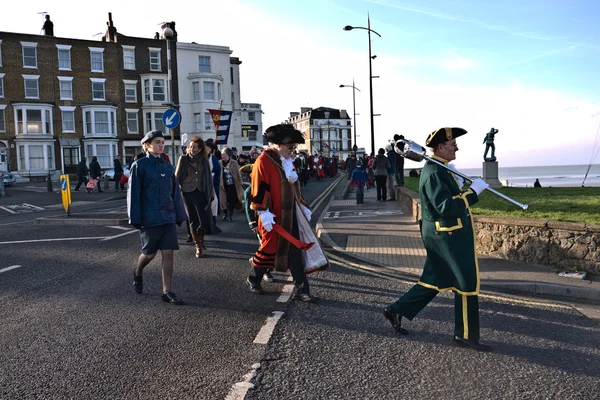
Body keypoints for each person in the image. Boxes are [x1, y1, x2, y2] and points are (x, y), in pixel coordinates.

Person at [382, 127, 492, 352]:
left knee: (435, 280)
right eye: (452, 145)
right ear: (440, 147)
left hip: (444, 235)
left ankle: (396, 309)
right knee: (466, 283)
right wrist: (473, 193)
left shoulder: (441, 169)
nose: (457, 148)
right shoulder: (434, 172)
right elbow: (446, 208)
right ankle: (465, 335)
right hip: (448, 236)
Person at [247, 124, 327, 301]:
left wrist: (303, 206)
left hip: (291, 215)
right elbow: (259, 190)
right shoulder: (264, 161)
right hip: (272, 215)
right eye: (290, 147)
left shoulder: (288, 162)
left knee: (295, 251)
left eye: (294, 147)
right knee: (269, 249)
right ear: (278, 145)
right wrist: (263, 212)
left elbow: (295, 188)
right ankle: (254, 277)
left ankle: (302, 290)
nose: (293, 151)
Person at [128, 130, 187, 305]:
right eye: (157, 142)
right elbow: (134, 194)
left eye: (162, 142)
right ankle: (138, 272)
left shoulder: (169, 167)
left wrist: (179, 214)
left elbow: (175, 193)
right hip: (150, 218)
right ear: (147, 145)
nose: (161, 145)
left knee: (168, 253)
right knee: (149, 254)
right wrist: (136, 219)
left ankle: (167, 291)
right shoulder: (139, 166)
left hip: (167, 216)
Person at [175, 136, 217, 258]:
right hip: (188, 192)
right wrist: (175, 192)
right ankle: (197, 245)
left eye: (195, 147)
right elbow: (176, 176)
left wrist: (211, 194)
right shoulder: (183, 159)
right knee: (193, 218)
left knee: (203, 218)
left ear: (199, 149)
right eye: (190, 146)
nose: (192, 149)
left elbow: (208, 177)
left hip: (202, 191)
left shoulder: (204, 160)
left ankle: (201, 239)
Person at [219, 147, 244, 222]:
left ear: (229, 155)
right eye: (222, 155)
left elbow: (238, 174)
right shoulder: (219, 163)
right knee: (223, 201)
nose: (223, 156)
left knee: (232, 200)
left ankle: (230, 214)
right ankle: (225, 213)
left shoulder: (234, 163)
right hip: (222, 185)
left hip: (232, 185)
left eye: (224, 155)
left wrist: (241, 182)